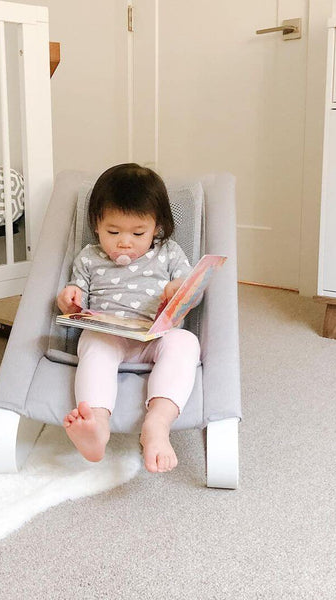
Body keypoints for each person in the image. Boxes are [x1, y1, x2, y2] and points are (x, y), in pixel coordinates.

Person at [56, 163, 201, 473]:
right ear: (97, 224)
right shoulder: (89, 257)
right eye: (113, 231)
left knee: (186, 342)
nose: (124, 242)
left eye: (138, 233)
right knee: (94, 344)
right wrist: (70, 300)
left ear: (157, 227)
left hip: (157, 336)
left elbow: (192, 290)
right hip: (110, 334)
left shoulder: (168, 252)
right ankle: (97, 425)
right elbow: (76, 296)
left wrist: (179, 291)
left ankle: (157, 425)